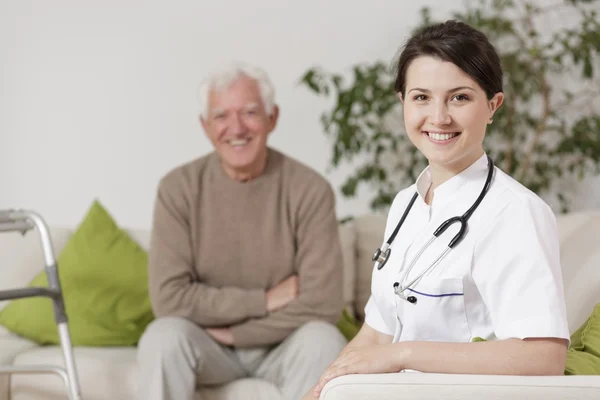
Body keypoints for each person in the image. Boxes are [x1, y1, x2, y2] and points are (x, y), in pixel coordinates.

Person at [304, 20, 570, 399]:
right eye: (421, 97)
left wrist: (404, 355)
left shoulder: (516, 212)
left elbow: (544, 358)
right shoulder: (405, 205)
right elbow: (377, 333)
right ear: (403, 103)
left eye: (459, 97)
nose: (439, 117)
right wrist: (317, 391)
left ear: (493, 106)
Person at [137, 62, 347, 400]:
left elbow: (322, 303)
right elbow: (169, 298)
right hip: (206, 344)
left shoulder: (310, 189)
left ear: (272, 118)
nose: (236, 128)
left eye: (250, 112)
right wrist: (264, 300)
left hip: (284, 343)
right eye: (221, 116)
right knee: (163, 337)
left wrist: (236, 333)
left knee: (324, 339)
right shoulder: (178, 188)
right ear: (205, 126)